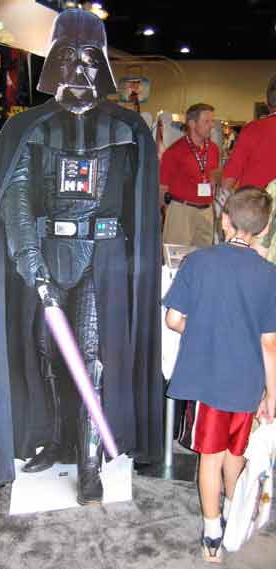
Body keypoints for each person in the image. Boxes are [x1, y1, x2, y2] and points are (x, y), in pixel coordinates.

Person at [0, 8, 162, 505]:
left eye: (90, 58)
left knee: (94, 357)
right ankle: (55, 439)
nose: (79, 69)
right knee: (46, 353)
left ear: (104, 64)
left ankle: (90, 459)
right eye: (69, 57)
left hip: (102, 257)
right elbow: (17, 195)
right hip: (49, 250)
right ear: (54, 60)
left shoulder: (128, 129)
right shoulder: (28, 128)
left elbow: (138, 206)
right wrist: (31, 262)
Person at [163, 187, 276, 562]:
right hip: (247, 382)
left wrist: (203, 329)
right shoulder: (269, 274)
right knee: (236, 452)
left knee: (209, 458)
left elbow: (174, 320)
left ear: (223, 220)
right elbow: (269, 343)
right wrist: (272, 394)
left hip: (207, 378)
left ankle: (212, 532)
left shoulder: (198, 262)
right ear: (264, 229)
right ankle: (232, 513)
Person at [160, 103, 220, 247]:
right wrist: (166, 212)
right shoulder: (174, 152)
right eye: (206, 121)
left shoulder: (213, 149)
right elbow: (162, 187)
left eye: (212, 121)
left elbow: (213, 174)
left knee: (203, 258)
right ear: (192, 123)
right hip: (181, 211)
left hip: (206, 211)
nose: (211, 125)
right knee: (177, 259)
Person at [221, 75, 276, 192]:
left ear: (268, 102)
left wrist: (222, 203)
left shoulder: (254, 128)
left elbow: (231, 174)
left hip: (255, 203)